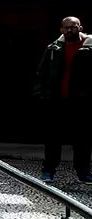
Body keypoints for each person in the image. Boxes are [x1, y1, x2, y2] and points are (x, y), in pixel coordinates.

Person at [33, 16, 92, 184]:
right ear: (61, 29)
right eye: (66, 27)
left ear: (80, 28)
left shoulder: (89, 47)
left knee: (82, 139)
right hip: (56, 100)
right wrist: (40, 94)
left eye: (73, 27)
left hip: (82, 102)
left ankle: (84, 172)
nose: (69, 30)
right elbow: (41, 72)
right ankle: (48, 171)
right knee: (52, 138)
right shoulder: (53, 48)